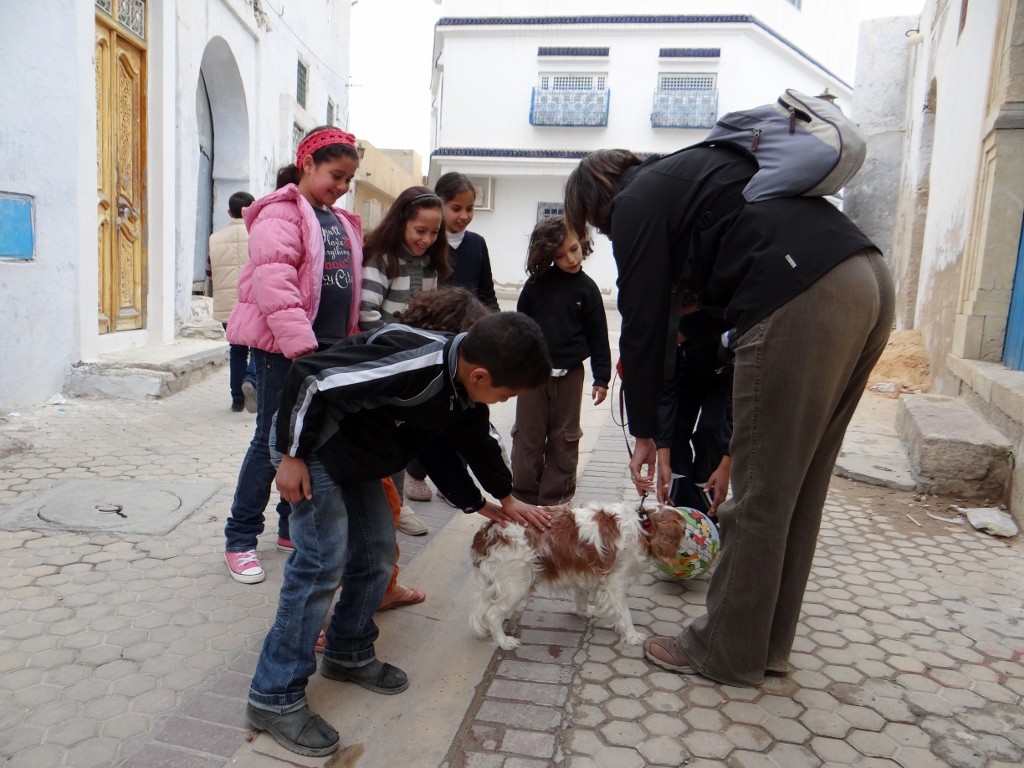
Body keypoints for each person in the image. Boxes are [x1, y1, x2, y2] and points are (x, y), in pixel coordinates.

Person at [564, 146, 894, 687]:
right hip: (867, 277)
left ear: (598, 202)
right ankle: (766, 645)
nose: (607, 230)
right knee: (798, 489)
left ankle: (725, 650)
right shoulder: (694, 176)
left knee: (758, 494)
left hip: (803, 292)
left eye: (600, 224)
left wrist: (644, 431)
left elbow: (642, 319)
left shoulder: (638, 201)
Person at [246, 311, 554, 757]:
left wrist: (498, 498)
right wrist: (292, 454)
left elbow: (465, 443)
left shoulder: (460, 386)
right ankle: (273, 696)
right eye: (505, 394)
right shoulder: (416, 363)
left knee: (377, 555)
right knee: (320, 566)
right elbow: (309, 376)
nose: (503, 401)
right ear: (480, 375)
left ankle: (348, 651)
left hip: (354, 455)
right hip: (312, 446)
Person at [222, 125, 363, 584]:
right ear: (308, 164)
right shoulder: (281, 213)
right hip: (286, 351)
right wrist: (302, 349)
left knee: (305, 442)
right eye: (335, 175)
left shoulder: (336, 219)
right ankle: (240, 538)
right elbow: (274, 285)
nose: (341, 187)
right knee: (272, 442)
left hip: (325, 351)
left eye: (348, 180)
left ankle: (289, 528)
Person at [359, 185, 452, 535]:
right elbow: (367, 313)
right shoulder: (382, 258)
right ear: (401, 222)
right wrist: (402, 347)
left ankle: (396, 509)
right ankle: (384, 513)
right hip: (384, 365)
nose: (427, 239)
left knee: (400, 440)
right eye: (420, 230)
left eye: (434, 232)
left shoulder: (431, 264)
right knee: (381, 441)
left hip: (413, 367)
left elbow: (430, 314)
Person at [511, 215, 611, 506]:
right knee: (527, 434)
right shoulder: (534, 286)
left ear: (582, 242)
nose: (571, 258)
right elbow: (518, 327)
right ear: (547, 257)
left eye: (574, 249)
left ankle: (556, 500)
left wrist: (602, 378)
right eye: (560, 255)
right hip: (533, 374)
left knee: (565, 437)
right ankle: (524, 497)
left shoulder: (587, 289)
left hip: (571, 376)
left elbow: (598, 336)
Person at [655, 298, 734, 522]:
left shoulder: (731, 325)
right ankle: (680, 508)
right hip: (686, 373)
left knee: (712, 432)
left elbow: (735, 412)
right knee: (675, 433)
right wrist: (663, 460)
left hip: (725, 376)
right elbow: (665, 398)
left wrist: (726, 464)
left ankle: (708, 502)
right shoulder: (670, 331)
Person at [208, 191, 257, 413]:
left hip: (228, 305)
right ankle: (252, 381)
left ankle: (237, 399)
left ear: (229, 212)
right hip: (254, 303)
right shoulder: (259, 235)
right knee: (258, 348)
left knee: (236, 349)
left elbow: (210, 272)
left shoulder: (215, 239)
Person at [435, 172, 499, 309]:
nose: (464, 216)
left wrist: (497, 321)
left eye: (469, 209)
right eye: (456, 209)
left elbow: (487, 295)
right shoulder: (428, 244)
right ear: (439, 205)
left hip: (471, 321)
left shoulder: (478, 244)